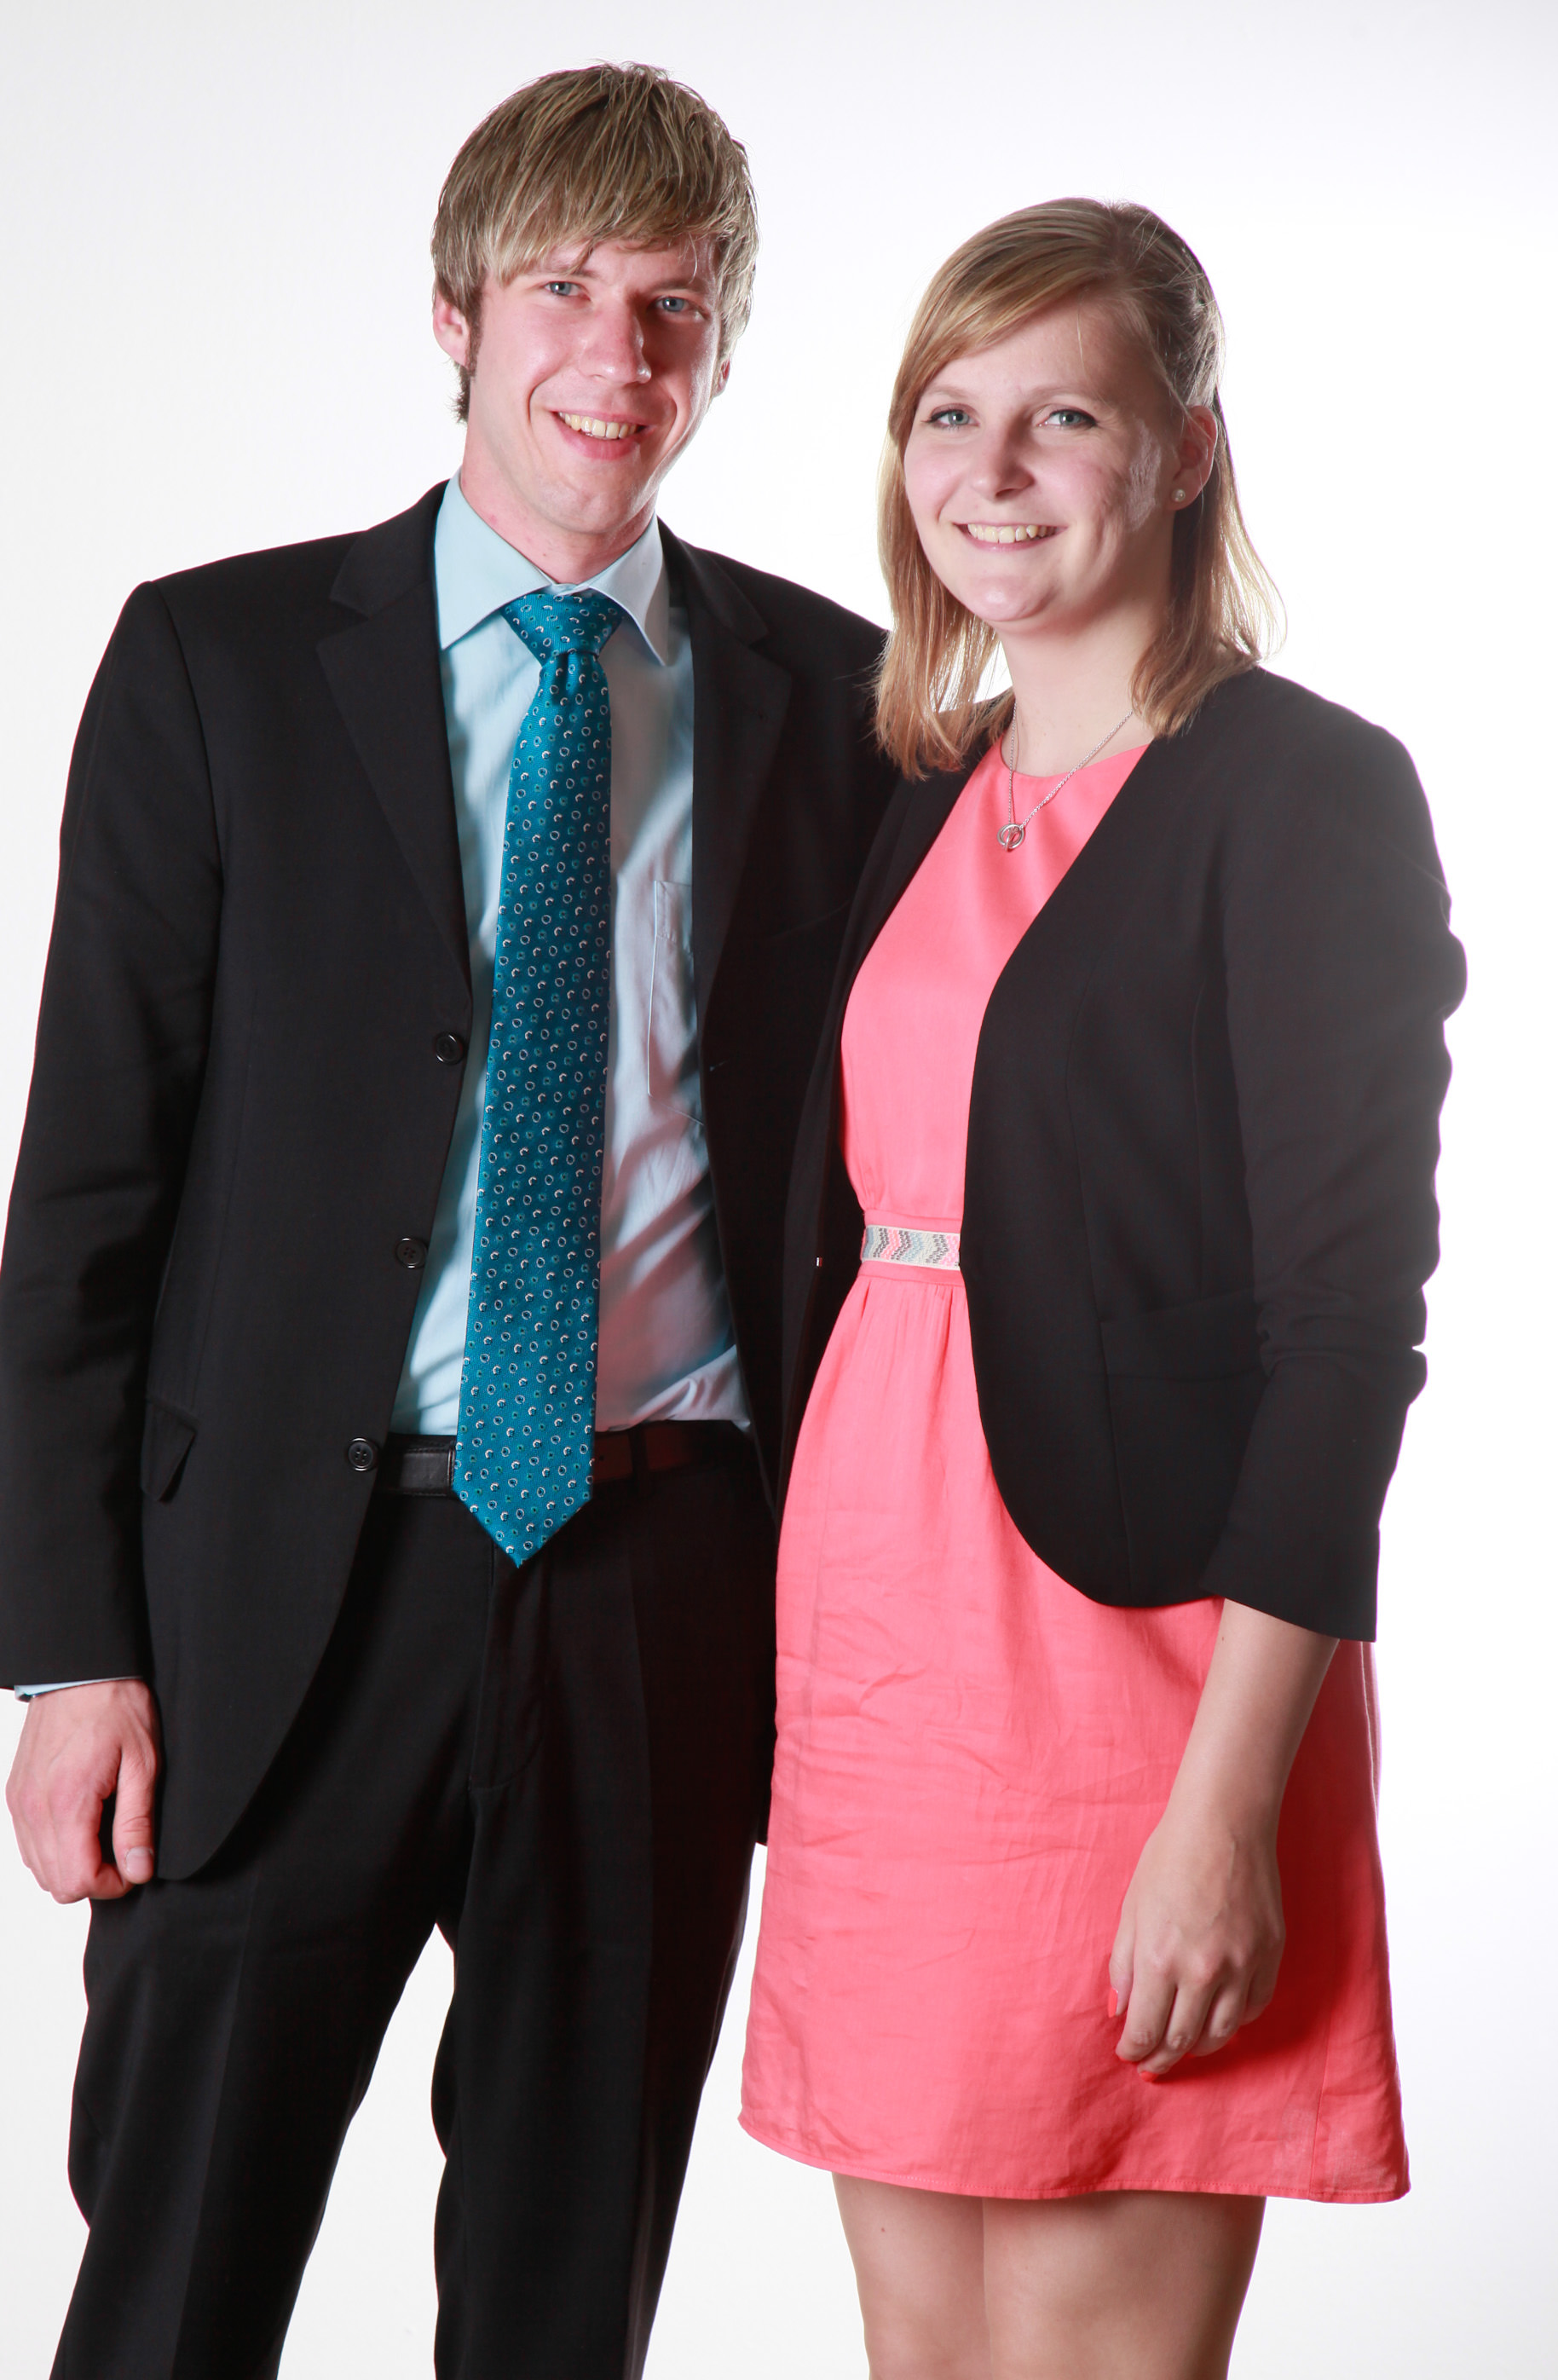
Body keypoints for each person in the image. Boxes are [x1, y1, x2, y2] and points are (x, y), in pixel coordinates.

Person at [0, 61, 895, 2380]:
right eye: (565, 290)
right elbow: (85, 1195)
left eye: (672, 306)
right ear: (455, 314)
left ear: (720, 347)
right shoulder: (215, 667)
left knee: (558, 2304)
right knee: (172, 2289)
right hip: (277, 1611)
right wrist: (73, 1651)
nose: (617, 355)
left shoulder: (835, 701)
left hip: (658, 1586)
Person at [740, 200, 1465, 2379]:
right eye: (944, 416)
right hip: (882, 1668)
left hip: (1127, 1681)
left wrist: (1223, 1812)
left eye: (1060, 418)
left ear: (1183, 451)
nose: (989, 472)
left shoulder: (1300, 792)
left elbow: (1344, 1333)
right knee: (919, 2355)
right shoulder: (912, 785)